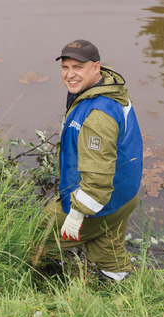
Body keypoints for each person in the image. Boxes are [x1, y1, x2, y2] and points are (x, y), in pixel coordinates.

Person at [32, 39, 143, 282]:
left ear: (96, 67)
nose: (70, 75)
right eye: (65, 67)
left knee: (39, 238)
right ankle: (120, 291)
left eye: (78, 67)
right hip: (124, 194)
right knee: (108, 247)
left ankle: (49, 286)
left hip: (100, 199)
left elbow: (98, 179)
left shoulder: (97, 115)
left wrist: (76, 214)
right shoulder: (107, 89)